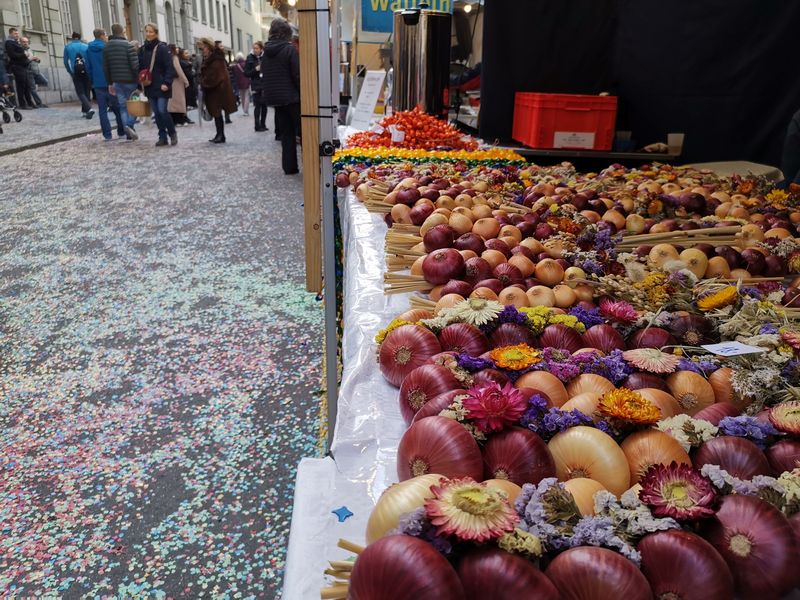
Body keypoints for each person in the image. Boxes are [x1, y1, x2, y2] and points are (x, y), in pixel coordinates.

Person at [263, 19, 301, 174]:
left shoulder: (266, 51)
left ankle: (289, 167)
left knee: (286, 134)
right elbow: (296, 75)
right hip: (292, 98)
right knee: (304, 131)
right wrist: (302, 93)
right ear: (286, 33)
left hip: (276, 99)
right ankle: (312, 165)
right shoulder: (289, 49)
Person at [139, 23, 177, 146]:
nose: (148, 34)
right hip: (149, 85)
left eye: (151, 32)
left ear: (156, 33)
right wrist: (140, 82)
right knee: (156, 112)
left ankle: (172, 133)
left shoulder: (163, 48)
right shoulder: (143, 49)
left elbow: (169, 67)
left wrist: (167, 82)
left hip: (161, 85)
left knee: (162, 111)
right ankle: (162, 136)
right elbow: (140, 67)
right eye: (147, 31)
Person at [85, 28, 125, 141]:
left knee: (102, 110)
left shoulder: (89, 49)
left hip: (98, 83)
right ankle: (121, 131)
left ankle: (107, 135)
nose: (107, 37)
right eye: (106, 35)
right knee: (117, 108)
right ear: (102, 35)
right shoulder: (107, 47)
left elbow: (88, 67)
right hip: (110, 81)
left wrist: (93, 80)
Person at [103, 23, 139, 140]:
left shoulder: (107, 47)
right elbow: (135, 66)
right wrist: (138, 80)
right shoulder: (128, 45)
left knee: (123, 107)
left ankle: (128, 133)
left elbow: (106, 67)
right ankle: (129, 125)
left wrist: (110, 83)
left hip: (117, 81)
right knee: (136, 105)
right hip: (131, 81)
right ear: (122, 31)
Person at [198, 37, 236, 144]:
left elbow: (217, 75)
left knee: (217, 112)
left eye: (202, 48)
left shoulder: (216, 58)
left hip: (217, 89)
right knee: (215, 113)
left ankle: (221, 135)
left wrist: (204, 82)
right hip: (212, 89)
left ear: (208, 46)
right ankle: (219, 134)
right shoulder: (209, 57)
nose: (202, 51)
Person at [63, 32, 94, 118]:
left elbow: (65, 62)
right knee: (87, 91)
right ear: (80, 38)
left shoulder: (68, 47)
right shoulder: (86, 46)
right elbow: (90, 60)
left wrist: (70, 71)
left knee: (80, 92)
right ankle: (85, 111)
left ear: (72, 38)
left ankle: (89, 109)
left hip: (76, 71)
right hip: (86, 71)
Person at [5, 27, 34, 109]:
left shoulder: (15, 42)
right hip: (17, 67)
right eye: (15, 33)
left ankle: (30, 103)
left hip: (23, 66)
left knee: (27, 86)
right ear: (10, 33)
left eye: (17, 33)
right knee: (21, 86)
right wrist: (24, 54)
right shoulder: (9, 43)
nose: (17, 35)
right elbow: (12, 55)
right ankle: (22, 104)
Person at [245, 41, 268, 132]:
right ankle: (257, 126)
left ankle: (263, 124)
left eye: (257, 48)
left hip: (265, 84)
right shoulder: (249, 57)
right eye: (254, 48)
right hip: (256, 85)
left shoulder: (265, 57)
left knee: (264, 106)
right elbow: (246, 73)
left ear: (261, 49)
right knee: (257, 106)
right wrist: (255, 69)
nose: (255, 50)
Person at [167, 45, 190, 125]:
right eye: (176, 48)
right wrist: (185, 81)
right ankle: (179, 120)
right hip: (177, 81)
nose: (177, 49)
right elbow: (179, 70)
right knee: (179, 102)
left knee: (172, 102)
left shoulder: (167, 57)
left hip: (170, 81)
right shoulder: (175, 58)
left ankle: (174, 120)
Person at [21, 37, 47, 107]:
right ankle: (39, 103)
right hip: (29, 72)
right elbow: (23, 62)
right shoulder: (21, 51)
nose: (25, 43)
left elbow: (36, 59)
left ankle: (29, 85)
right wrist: (31, 59)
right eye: (24, 42)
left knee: (45, 82)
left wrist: (38, 60)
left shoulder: (30, 50)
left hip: (36, 70)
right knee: (33, 89)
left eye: (26, 41)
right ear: (21, 43)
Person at [180, 48, 196, 119]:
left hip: (187, 84)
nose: (188, 54)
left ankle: (185, 116)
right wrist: (194, 73)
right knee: (185, 102)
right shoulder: (185, 64)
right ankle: (184, 117)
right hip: (186, 85)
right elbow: (190, 75)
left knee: (185, 102)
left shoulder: (187, 62)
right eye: (186, 53)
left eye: (188, 53)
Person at [232, 52, 250, 116]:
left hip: (239, 83)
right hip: (246, 81)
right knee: (247, 96)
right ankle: (246, 111)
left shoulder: (236, 66)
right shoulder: (246, 64)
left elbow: (235, 76)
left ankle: (243, 109)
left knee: (242, 97)